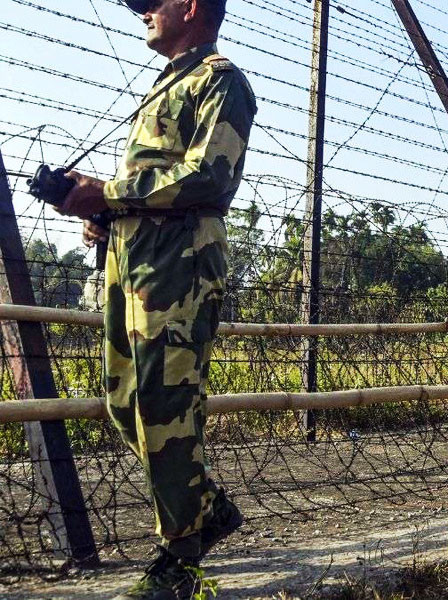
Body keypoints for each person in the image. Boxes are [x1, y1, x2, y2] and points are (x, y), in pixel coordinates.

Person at [56, 1, 256, 597]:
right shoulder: (166, 85)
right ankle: (207, 506)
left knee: (166, 405)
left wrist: (110, 193)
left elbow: (211, 177)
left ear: (192, 7)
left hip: (179, 264)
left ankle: (181, 559)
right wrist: (103, 217)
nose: (143, 12)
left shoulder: (220, 79)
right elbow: (147, 189)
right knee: (125, 403)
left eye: (153, 2)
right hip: (133, 263)